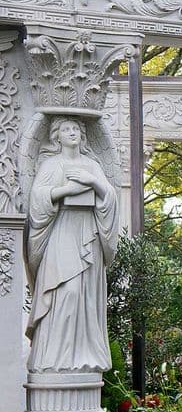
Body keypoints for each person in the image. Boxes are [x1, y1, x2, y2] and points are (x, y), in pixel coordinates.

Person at [25, 116, 119, 372]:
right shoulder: (51, 164)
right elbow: (37, 200)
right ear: (57, 136)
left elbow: (110, 197)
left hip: (88, 233)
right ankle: (53, 359)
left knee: (84, 296)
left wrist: (93, 182)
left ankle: (82, 358)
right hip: (62, 231)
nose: (72, 132)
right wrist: (66, 190)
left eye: (76, 129)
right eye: (66, 129)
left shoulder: (91, 165)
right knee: (65, 292)